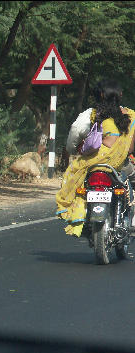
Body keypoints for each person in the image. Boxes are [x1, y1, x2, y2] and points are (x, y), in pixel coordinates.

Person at [57, 79, 135, 237]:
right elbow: (131, 147)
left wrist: (74, 150)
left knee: (76, 177)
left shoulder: (92, 114)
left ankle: (80, 213)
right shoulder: (131, 115)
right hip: (118, 163)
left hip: (94, 160)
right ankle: (131, 219)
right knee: (132, 178)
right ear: (120, 95)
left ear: (99, 95)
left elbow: (75, 131)